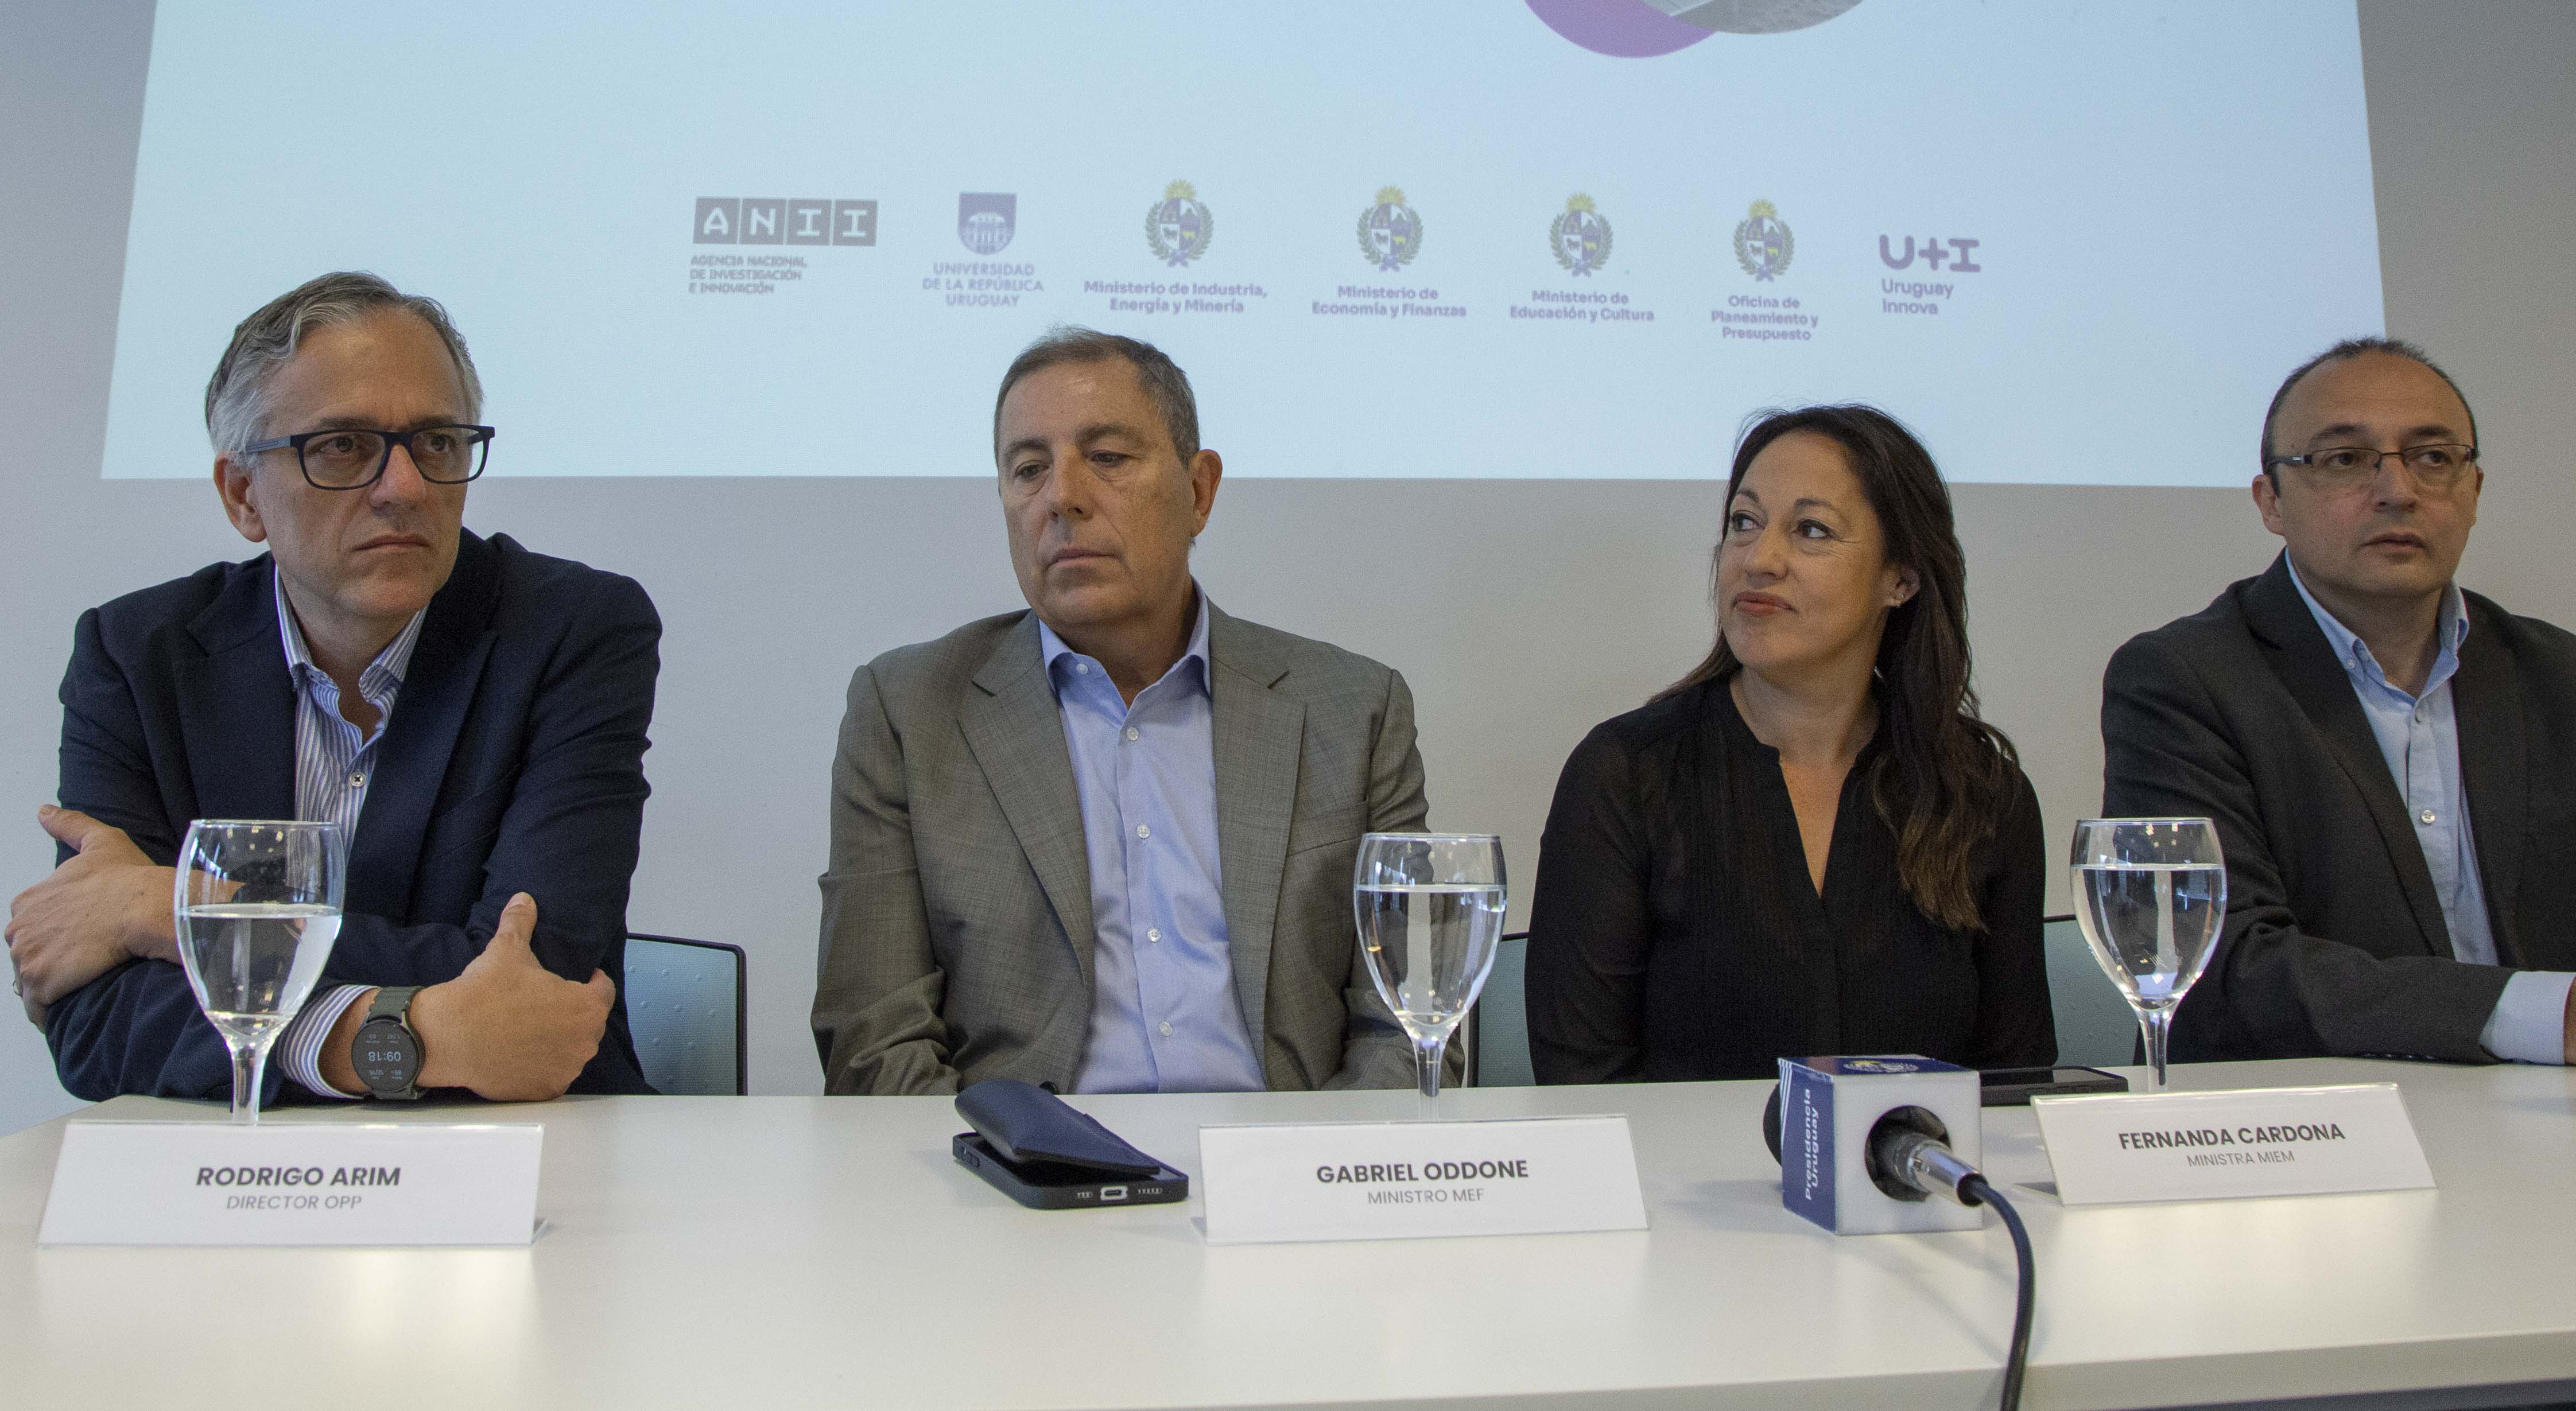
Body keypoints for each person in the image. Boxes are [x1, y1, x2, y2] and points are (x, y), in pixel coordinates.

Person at [7, 272, 659, 1104]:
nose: (406, 487)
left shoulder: (572, 631)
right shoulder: (138, 656)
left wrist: (168, 908)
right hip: (232, 1165)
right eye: (343, 446)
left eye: (437, 442)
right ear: (243, 495)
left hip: (528, 1143)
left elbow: (533, 973)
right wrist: (398, 1039)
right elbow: (98, 1018)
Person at [2101, 336, 2576, 1075]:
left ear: (2473, 492)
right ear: (2270, 501)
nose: (2397, 490)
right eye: (2345, 459)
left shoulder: (2569, 680)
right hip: (2310, 1120)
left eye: (2434, 458)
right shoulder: (2182, 680)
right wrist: (2567, 1018)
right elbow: (2220, 967)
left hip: (2570, 1115)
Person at [813, 327, 1430, 1094]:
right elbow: (874, 1041)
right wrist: (1012, 1157)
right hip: (1024, 1160)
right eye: (1028, 469)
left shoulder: (1352, 709)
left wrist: (1310, 1155)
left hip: (1283, 1152)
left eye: (1106, 457)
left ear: (1199, 491)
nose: (1061, 497)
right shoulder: (909, 713)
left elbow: (1411, 1025)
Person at [1526, 405, 2056, 1083]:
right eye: (1743, 523)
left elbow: (2015, 1079)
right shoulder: (1626, 774)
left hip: (1919, 1157)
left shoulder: (1982, 793)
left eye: (1810, 531)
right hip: (1675, 1158)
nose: (1758, 560)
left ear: (1901, 578)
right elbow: (1580, 1081)